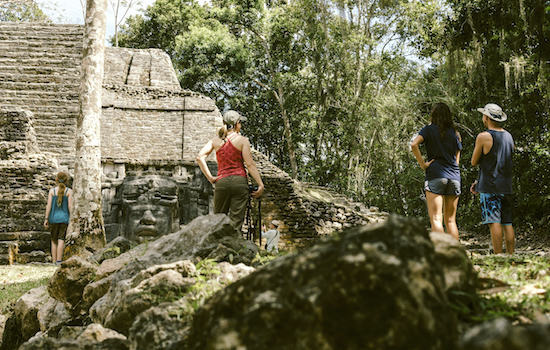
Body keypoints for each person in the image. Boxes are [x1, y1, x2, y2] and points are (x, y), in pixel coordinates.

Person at [197, 110, 264, 230]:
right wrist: (260, 184)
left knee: (218, 221)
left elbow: (199, 157)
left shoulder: (215, 141)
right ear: (237, 123)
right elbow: (249, 164)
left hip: (221, 182)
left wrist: (211, 178)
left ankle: (218, 246)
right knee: (236, 223)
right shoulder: (243, 140)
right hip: (239, 182)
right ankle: (233, 247)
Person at [411, 103, 462, 240]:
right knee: (451, 221)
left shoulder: (428, 130)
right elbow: (457, 160)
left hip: (436, 175)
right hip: (454, 177)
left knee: (436, 219)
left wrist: (423, 164)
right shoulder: (455, 134)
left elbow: (414, 144)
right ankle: (456, 256)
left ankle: (441, 255)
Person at [470, 103, 515, 255]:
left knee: (494, 222)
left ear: (487, 117)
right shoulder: (509, 136)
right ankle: (510, 256)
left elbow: (474, 161)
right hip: (506, 186)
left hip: (490, 187)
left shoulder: (483, 137)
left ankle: (498, 256)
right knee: (507, 223)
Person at [44, 172, 72, 265]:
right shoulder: (69, 191)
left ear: (56, 180)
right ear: (67, 180)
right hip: (64, 218)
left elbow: (48, 205)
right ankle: (59, 261)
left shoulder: (52, 191)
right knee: (61, 239)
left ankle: (54, 260)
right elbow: (70, 206)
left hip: (53, 218)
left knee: (54, 240)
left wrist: (46, 219)